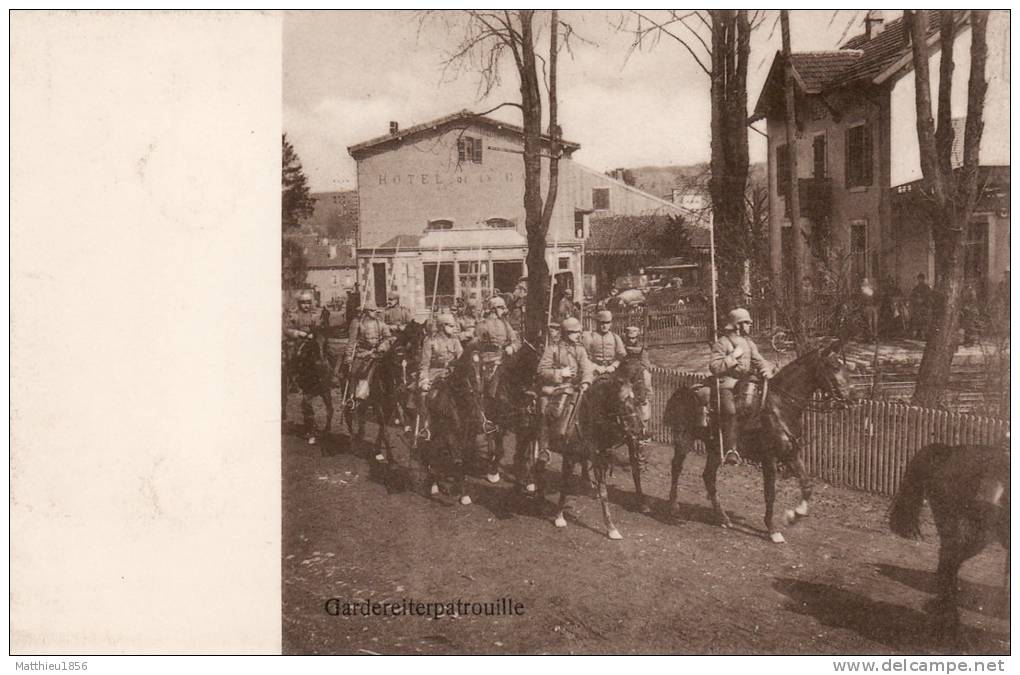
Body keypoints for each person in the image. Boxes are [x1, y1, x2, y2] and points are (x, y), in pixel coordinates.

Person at [709, 308, 776, 466]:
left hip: (746, 382)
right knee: (731, 412)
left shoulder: (748, 343)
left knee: (761, 406)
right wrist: (733, 357)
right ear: (737, 324)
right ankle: (731, 450)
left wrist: (766, 369)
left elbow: (759, 360)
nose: (749, 325)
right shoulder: (722, 342)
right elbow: (714, 367)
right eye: (746, 322)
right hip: (727, 382)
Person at [537, 317, 594, 457]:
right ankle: (544, 449)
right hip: (553, 390)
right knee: (546, 413)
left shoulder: (580, 350)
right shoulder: (553, 349)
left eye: (578, 332)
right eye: (574, 332)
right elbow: (541, 370)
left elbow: (587, 368)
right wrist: (560, 373)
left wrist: (586, 382)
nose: (578, 335)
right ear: (566, 333)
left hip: (573, 389)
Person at [417, 313, 463, 432]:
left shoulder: (455, 340)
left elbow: (461, 358)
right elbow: (425, 364)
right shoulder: (430, 341)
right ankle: (425, 427)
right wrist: (424, 379)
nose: (453, 328)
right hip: (435, 372)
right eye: (451, 326)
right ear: (442, 326)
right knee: (424, 395)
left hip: (451, 372)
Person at [470, 296, 521, 398]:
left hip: (504, 357)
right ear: (494, 309)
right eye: (501, 308)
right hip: (487, 360)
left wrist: (512, 347)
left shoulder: (505, 324)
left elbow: (516, 341)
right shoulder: (482, 324)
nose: (503, 311)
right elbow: (476, 345)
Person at [343, 304, 393, 400]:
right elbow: (352, 341)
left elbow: (388, 338)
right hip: (363, 353)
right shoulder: (357, 323)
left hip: (378, 353)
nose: (375, 313)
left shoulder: (381, 323)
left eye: (376, 311)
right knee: (354, 373)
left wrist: (383, 346)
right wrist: (348, 356)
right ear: (366, 311)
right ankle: (352, 398)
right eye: (372, 311)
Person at [621, 325, 653, 435]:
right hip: (625, 374)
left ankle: (644, 427)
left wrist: (639, 370)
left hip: (638, 374)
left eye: (634, 338)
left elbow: (645, 363)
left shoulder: (642, 348)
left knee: (645, 392)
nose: (631, 340)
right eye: (629, 338)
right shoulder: (621, 346)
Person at [583, 310, 626, 377]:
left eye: (607, 323)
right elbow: (584, 356)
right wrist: (595, 366)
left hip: (612, 370)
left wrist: (614, 366)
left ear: (611, 323)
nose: (604, 326)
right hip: (595, 370)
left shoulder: (615, 337)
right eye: (602, 323)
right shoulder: (589, 337)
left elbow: (622, 356)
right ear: (597, 323)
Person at [909, 273, 933, 340]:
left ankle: (923, 335)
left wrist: (923, 300)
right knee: (915, 321)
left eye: (921, 279)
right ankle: (914, 335)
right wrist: (916, 300)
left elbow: (930, 297)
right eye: (919, 279)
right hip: (917, 308)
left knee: (924, 322)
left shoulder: (927, 288)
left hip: (924, 308)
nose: (920, 280)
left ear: (923, 279)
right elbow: (911, 297)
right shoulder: (915, 289)